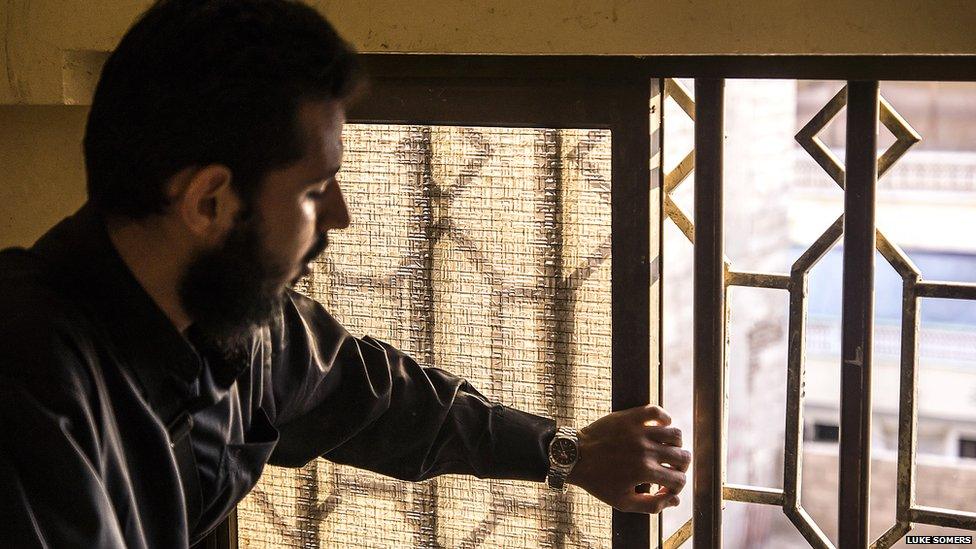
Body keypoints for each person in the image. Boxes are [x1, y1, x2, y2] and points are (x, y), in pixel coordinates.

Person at [0, 1, 690, 547]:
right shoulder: (30, 386)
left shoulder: (233, 324)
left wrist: (566, 452)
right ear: (209, 202)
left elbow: (379, 400)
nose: (342, 216)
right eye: (314, 189)